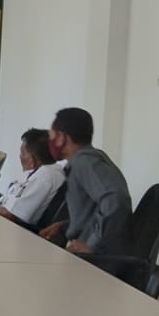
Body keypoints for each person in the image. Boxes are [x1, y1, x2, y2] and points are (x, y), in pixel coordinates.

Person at [38, 108, 132, 254]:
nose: (50, 142)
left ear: (62, 137)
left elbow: (116, 199)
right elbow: (92, 212)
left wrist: (92, 245)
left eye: (52, 136)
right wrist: (64, 226)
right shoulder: (88, 160)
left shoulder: (85, 162)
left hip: (93, 260)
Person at [0, 128, 66, 226]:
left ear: (32, 159)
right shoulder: (39, 172)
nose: (20, 157)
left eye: (22, 153)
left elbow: (10, 215)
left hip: (9, 226)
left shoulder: (46, 176)